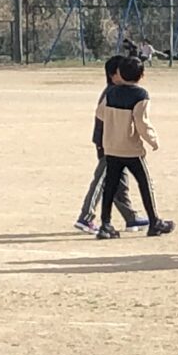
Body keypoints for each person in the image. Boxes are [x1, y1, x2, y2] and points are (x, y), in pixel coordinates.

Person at [96, 57, 175, 240]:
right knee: (145, 183)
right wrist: (153, 139)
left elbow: (100, 113)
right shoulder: (141, 95)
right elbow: (141, 121)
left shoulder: (111, 93)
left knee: (110, 186)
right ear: (142, 75)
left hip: (112, 147)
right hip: (131, 148)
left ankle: (105, 224)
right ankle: (154, 221)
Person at [74, 56, 148, 236]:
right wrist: (102, 144)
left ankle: (130, 217)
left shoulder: (119, 91)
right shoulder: (111, 93)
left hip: (118, 144)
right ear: (114, 75)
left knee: (120, 183)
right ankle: (86, 216)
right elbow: (101, 121)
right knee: (102, 179)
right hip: (109, 144)